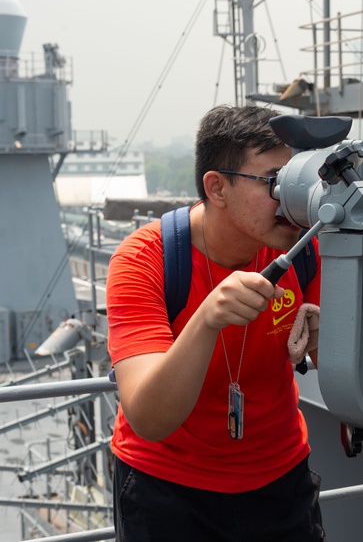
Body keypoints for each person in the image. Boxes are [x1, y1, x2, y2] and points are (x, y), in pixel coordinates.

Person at [105, 105, 329, 540]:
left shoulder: (303, 249)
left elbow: (336, 360)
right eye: (274, 182)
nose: (292, 198)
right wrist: (206, 320)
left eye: (300, 179)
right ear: (217, 187)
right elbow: (150, 418)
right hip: (168, 491)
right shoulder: (144, 260)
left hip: (280, 481)